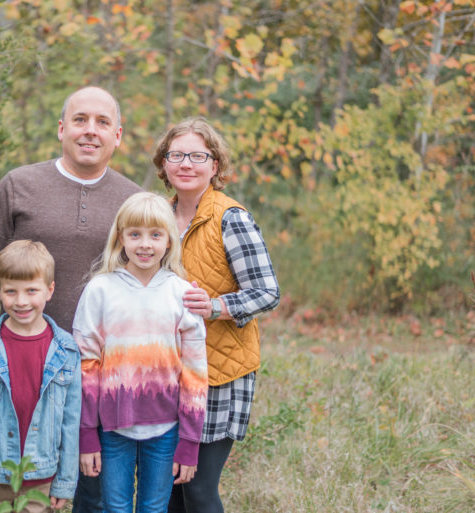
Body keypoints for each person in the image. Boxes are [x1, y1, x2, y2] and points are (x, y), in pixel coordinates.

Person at [0, 86, 142, 513]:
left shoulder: (133, 200)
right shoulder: (20, 185)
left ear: (118, 136)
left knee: (92, 490)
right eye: (79, 120)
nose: (90, 131)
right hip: (21, 365)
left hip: (102, 370)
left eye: (102, 122)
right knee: (13, 484)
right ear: (61, 129)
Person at [152, 118, 280, 513]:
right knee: (168, 487)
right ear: (164, 164)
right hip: (166, 369)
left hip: (220, 372)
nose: (186, 164)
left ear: (215, 165)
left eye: (197, 155)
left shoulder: (230, 218)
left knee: (199, 488)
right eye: (176, 155)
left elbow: (267, 292)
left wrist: (217, 306)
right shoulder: (156, 218)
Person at [73, 192, 208, 513]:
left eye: (155, 235)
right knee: (115, 507)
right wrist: (87, 432)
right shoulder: (100, 290)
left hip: (165, 429)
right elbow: (85, 365)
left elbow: (195, 373)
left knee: (153, 508)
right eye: (135, 234)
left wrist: (189, 441)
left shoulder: (182, 293)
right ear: (121, 239)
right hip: (112, 427)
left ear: (170, 241)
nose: (145, 244)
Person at [0, 240, 80, 512]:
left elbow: (71, 420)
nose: (21, 301)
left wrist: (65, 482)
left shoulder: (66, 350)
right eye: (11, 291)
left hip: (41, 479)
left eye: (31, 290)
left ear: (50, 290)